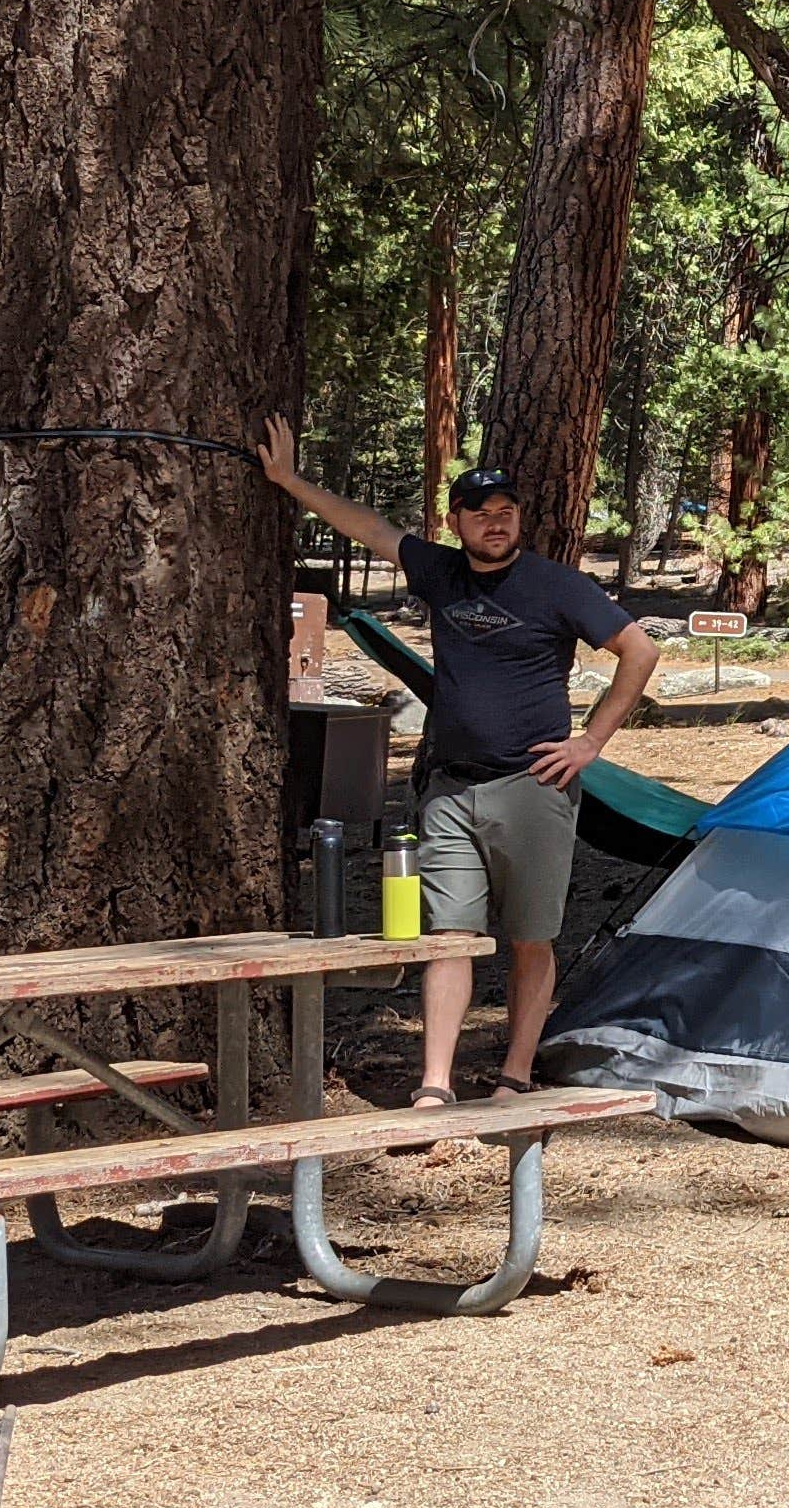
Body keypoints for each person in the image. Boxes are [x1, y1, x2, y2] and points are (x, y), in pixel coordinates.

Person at [258, 420, 661, 1105]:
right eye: (481, 514)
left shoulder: (555, 586)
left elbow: (640, 650)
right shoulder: (440, 573)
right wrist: (291, 482)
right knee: (449, 936)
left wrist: (590, 742)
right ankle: (435, 1084)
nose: (495, 523)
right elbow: (368, 528)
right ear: (457, 523)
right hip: (451, 791)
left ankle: (513, 1075)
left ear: (518, 520)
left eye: (506, 512)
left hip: (533, 788)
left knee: (530, 940)